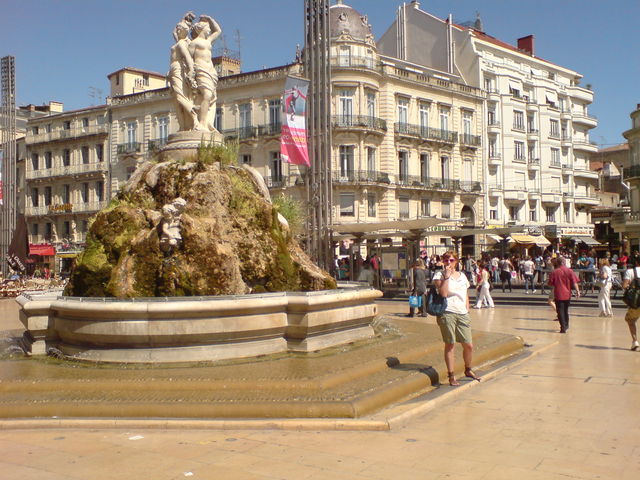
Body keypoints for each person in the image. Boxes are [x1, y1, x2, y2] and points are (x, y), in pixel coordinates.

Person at [432, 251, 481, 386]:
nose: (449, 262)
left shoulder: (462, 276)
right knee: (450, 344)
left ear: (456, 261)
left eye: (451, 260)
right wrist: (446, 277)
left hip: (462, 312)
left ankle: (468, 369)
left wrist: (467, 308)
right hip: (447, 312)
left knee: (468, 345)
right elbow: (443, 293)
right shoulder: (439, 275)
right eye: (446, 260)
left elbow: (465, 293)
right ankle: (451, 375)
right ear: (443, 261)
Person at [189, 14, 222, 132]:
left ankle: (206, 122)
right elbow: (188, 59)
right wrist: (191, 74)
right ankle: (202, 123)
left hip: (211, 71)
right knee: (207, 95)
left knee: (211, 97)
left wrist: (210, 19)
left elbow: (218, 31)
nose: (209, 30)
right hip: (201, 69)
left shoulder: (208, 41)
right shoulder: (194, 43)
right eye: (207, 27)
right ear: (201, 29)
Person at [168, 13, 198, 131]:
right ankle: (183, 126)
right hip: (174, 70)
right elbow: (174, 32)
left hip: (177, 69)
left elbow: (188, 58)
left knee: (179, 97)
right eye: (178, 28)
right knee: (177, 99)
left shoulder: (181, 43)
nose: (178, 30)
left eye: (180, 28)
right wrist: (184, 19)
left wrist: (191, 71)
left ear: (185, 31)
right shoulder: (180, 41)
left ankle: (194, 114)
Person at [548, 257, 581, 333]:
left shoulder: (554, 272)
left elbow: (550, 283)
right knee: (565, 310)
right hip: (567, 294)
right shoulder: (569, 271)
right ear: (564, 262)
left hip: (558, 294)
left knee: (560, 311)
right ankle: (566, 325)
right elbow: (575, 282)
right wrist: (577, 291)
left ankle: (563, 326)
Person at [621, 258, 640, 351]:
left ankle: (635, 341)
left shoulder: (630, 271)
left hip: (636, 302)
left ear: (636, 262)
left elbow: (624, 285)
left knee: (631, 320)